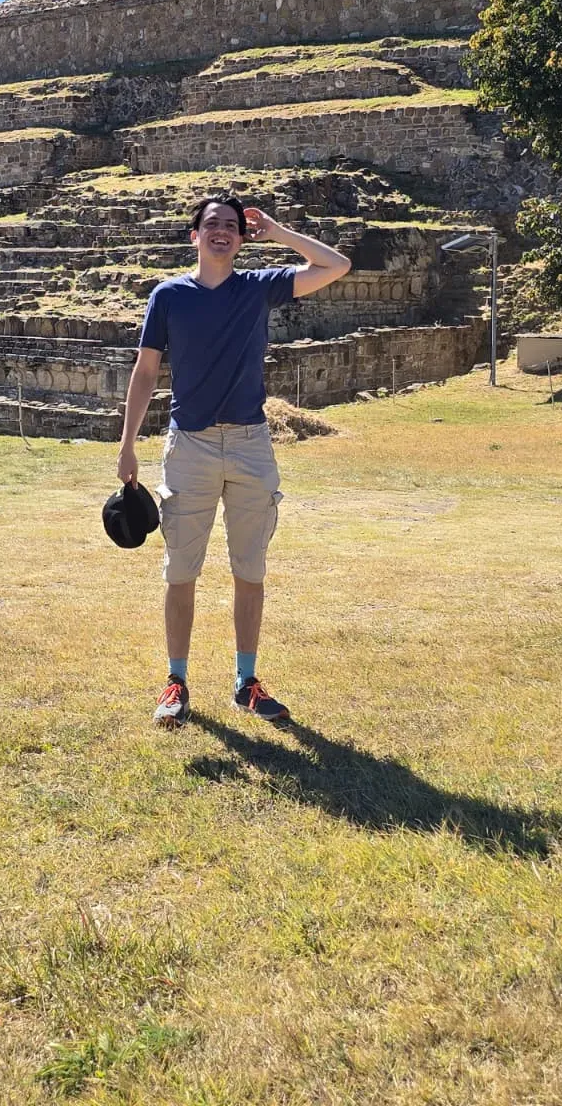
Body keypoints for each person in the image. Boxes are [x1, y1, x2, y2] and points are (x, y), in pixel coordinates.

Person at [116, 196, 351, 728]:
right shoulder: (168, 296)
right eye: (211, 225)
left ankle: (247, 682)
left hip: (250, 443)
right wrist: (127, 443)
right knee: (181, 572)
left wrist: (277, 230)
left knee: (250, 570)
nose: (221, 232)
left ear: (242, 239)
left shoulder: (258, 286)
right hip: (190, 446)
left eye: (231, 226)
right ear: (193, 236)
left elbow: (336, 266)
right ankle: (176, 680)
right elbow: (146, 371)